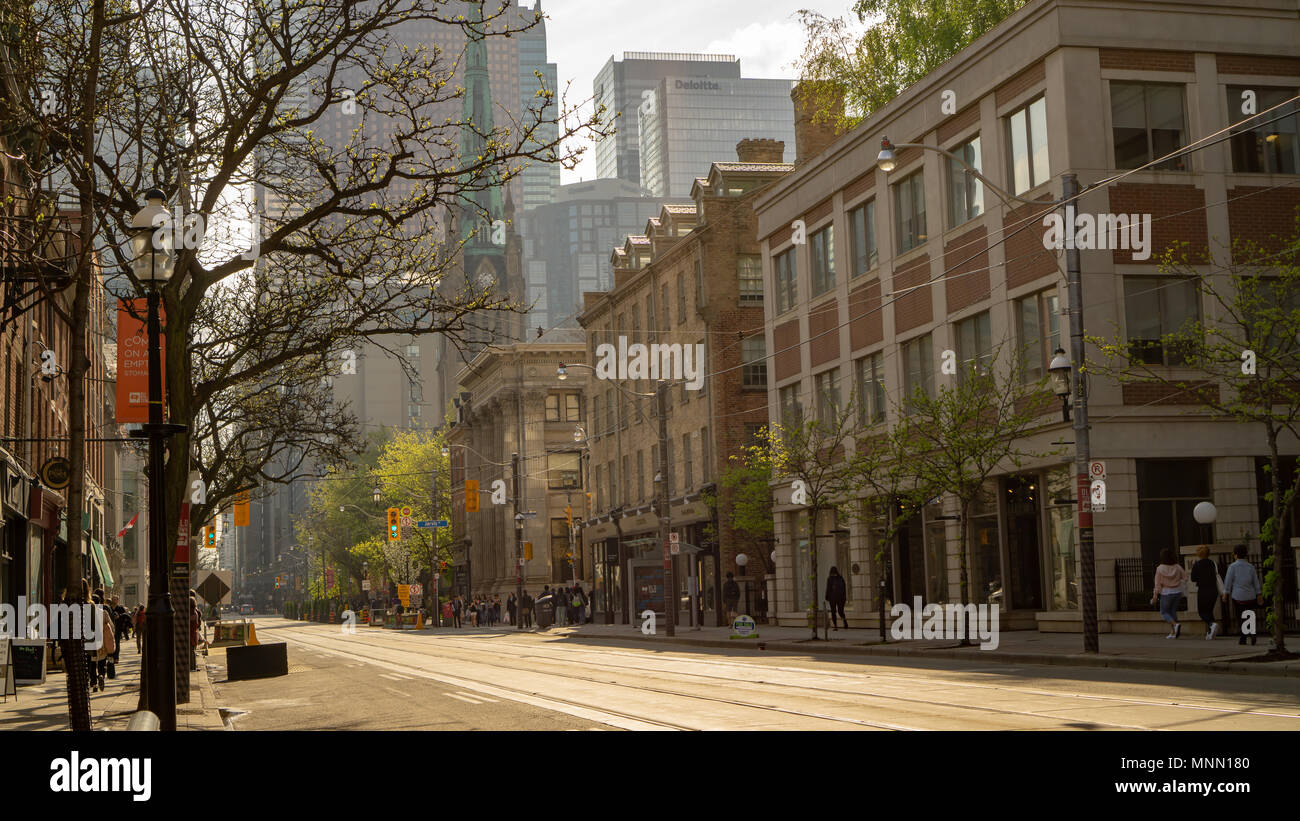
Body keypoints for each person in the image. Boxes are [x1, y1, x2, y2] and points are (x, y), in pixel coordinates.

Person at [1222, 544, 1263, 646]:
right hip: (1250, 596)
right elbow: (1256, 582)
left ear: (1235, 555)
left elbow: (1228, 581)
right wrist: (1259, 594)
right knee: (1249, 614)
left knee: (1240, 617)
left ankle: (1243, 637)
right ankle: (1252, 631)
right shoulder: (1251, 567)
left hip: (1238, 596)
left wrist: (1225, 593)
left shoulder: (1232, 567)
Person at [1189, 545, 1223, 639]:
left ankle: (1211, 624)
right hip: (1213, 590)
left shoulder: (1197, 564)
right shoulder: (1213, 563)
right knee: (1209, 611)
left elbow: (1193, 578)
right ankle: (1210, 632)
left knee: (1202, 612)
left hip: (1203, 590)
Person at [1151, 548, 1186, 639]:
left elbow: (1157, 584)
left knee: (1164, 612)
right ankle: (1173, 632)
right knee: (1173, 611)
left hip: (1166, 592)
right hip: (1177, 592)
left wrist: (1155, 595)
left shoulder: (1160, 568)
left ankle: (1175, 625)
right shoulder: (1178, 567)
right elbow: (1185, 577)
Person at [824, 566, 848, 631]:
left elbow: (828, 589)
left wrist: (826, 596)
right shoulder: (840, 578)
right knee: (840, 611)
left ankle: (835, 626)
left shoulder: (829, 579)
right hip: (840, 597)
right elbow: (844, 589)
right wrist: (844, 597)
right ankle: (844, 620)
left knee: (833, 612)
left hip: (832, 598)